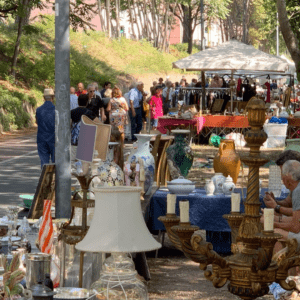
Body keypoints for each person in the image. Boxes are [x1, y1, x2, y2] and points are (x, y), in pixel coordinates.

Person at [263, 150, 300, 216]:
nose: (282, 175)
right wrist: (274, 202)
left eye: (283, 171)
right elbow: (288, 203)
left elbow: (297, 213)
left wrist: (277, 207)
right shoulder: (295, 184)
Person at [70, 94, 96, 163]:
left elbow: (69, 125)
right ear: (87, 102)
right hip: (86, 141)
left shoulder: (72, 112)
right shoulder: (90, 113)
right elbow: (99, 124)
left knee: (73, 161)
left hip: (74, 140)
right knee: (85, 162)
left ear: (78, 102)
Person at [110, 87, 129, 169]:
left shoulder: (111, 100)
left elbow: (108, 109)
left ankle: (113, 140)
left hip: (113, 116)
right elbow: (127, 108)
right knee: (121, 130)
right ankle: (122, 143)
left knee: (114, 130)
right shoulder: (122, 99)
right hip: (121, 115)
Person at [36, 88, 55, 168]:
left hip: (41, 137)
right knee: (55, 162)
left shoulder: (39, 110)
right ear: (52, 98)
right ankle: (54, 179)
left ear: (44, 98)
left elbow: (37, 122)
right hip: (53, 138)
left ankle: (45, 179)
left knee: (44, 163)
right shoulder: (56, 110)